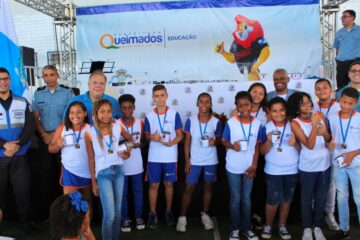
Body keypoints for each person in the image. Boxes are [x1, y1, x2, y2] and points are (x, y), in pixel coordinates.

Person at [85, 99, 132, 240]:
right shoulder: (89, 132)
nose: (106, 115)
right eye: (102, 111)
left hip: (119, 171)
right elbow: (91, 159)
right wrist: (93, 182)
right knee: (109, 214)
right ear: (96, 113)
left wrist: (127, 151)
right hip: (103, 174)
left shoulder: (117, 126)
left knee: (118, 212)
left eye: (109, 111)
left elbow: (130, 140)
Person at [32, 65, 74, 220]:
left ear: (57, 75)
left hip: (62, 141)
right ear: (42, 77)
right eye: (45, 75)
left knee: (64, 177)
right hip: (44, 140)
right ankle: (50, 213)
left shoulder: (67, 92)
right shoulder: (38, 94)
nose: (49, 78)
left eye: (51, 74)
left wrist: (55, 136)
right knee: (46, 177)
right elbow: (35, 118)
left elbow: (70, 116)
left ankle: (67, 212)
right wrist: (44, 134)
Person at [176, 93, 222, 233]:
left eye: (207, 102)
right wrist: (187, 160)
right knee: (189, 188)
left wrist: (215, 141)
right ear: (197, 104)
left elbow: (220, 140)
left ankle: (205, 214)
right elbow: (187, 142)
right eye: (201, 102)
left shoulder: (216, 121)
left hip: (210, 160)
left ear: (211, 104)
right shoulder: (190, 120)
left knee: (208, 188)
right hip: (194, 161)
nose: (204, 104)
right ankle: (182, 218)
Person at [48, 101, 95, 239]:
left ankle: (86, 231)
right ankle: (69, 234)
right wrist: (57, 144)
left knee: (86, 203)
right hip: (69, 171)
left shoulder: (91, 129)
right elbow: (51, 149)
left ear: (85, 113)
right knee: (69, 204)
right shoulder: (63, 127)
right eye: (72, 113)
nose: (75, 115)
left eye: (79, 112)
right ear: (68, 115)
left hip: (87, 172)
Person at [288, 92, 331, 240]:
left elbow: (328, 138)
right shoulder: (295, 123)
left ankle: (317, 226)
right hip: (308, 167)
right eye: (303, 103)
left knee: (320, 197)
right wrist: (314, 126)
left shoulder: (318, 114)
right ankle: (307, 227)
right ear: (296, 107)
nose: (308, 105)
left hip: (324, 164)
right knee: (306, 198)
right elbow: (309, 145)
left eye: (308, 102)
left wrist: (324, 132)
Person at [0, 67, 38, 234]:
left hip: (20, 154)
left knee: (23, 190)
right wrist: (3, 145)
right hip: (0, 155)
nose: (3, 82)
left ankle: (25, 223)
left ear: (10, 80)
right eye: (0, 79)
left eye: (5, 78)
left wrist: (18, 144)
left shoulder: (22, 101)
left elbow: (30, 125)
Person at [222, 91, 262, 240]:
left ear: (252, 105)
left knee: (246, 198)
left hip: (249, 168)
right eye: (240, 106)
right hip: (233, 166)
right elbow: (224, 141)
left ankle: (246, 228)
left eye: (247, 104)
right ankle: (235, 229)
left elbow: (258, 147)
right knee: (236, 198)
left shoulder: (258, 124)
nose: (244, 108)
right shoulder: (231, 122)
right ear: (237, 108)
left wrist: (254, 165)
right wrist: (232, 146)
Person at [260, 97, 300, 240]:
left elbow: (302, 148)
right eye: (275, 111)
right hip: (273, 170)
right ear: (270, 112)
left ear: (286, 110)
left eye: (281, 110)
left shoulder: (294, 125)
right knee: (273, 200)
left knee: (287, 199)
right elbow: (262, 152)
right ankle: (268, 225)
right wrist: (269, 141)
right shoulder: (266, 127)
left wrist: (295, 143)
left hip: (292, 169)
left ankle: (282, 226)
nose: (279, 114)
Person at [144, 84, 183, 229]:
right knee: (154, 185)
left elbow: (180, 135)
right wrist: (151, 137)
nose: (160, 98)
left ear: (167, 96)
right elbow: (146, 135)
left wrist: (171, 142)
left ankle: (168, 212)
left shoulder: (174, 114)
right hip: (154, 157)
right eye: (156, 96)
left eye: (162, 95)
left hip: (170, 156)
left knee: (169, 184)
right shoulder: (149, 116)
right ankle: (152, 214)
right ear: (153, 97)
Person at [328, 87, 360, 240]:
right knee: (341, 197)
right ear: (339, 99)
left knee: (359, 197)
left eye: (350, 103)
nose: (346, 106)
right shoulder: (333, 117)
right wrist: (331, 143)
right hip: (338, 163)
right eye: (344, 102)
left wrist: (352, 154)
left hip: (356, 164)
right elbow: (331, 138)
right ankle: (344, 230)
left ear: (356, 103)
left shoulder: (359, 118)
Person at [313, 78, 341, 231]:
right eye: (318, 88)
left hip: (333, 149)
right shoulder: (311, 107)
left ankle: (330, 214)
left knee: (332, 183)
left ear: (331, 90)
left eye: (325, 87)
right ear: (315, 92)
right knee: (315, 182)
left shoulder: (339, 106)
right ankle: (313, 213)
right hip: (315, 150)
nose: (322, 90)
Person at [117, 94, 146, 232]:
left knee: (138, 192)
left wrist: (138, 145)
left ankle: (139, 217)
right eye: (124, 108)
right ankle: (125, 219)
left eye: (130, 107)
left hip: (136, 165)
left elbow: (144, 142)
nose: (127, 110)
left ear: (134, 108)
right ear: (120, 108)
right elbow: (112, 144)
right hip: (121, 165)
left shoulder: (140, 122)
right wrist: (125, 144)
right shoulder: (115, 124)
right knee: (123, 194)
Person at [215, 15, 270, 81]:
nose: (240, 29)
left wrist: (256, 65)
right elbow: (233, 59)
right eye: (238, 27)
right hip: (241, 76)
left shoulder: (257, 38)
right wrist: (223, 52)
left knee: (252, 77)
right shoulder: (235, 43)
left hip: (253, 73)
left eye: (242, 27)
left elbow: (266, 50)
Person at [334, 10, 360, 89]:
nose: (342, 19)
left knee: (356, 85)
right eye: (342, 17)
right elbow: (337, 48)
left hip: (355, 62)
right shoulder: (339, 32)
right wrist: (338, 59)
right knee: (341, 86)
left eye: (345, 16)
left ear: (352, 18)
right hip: (341, 64)